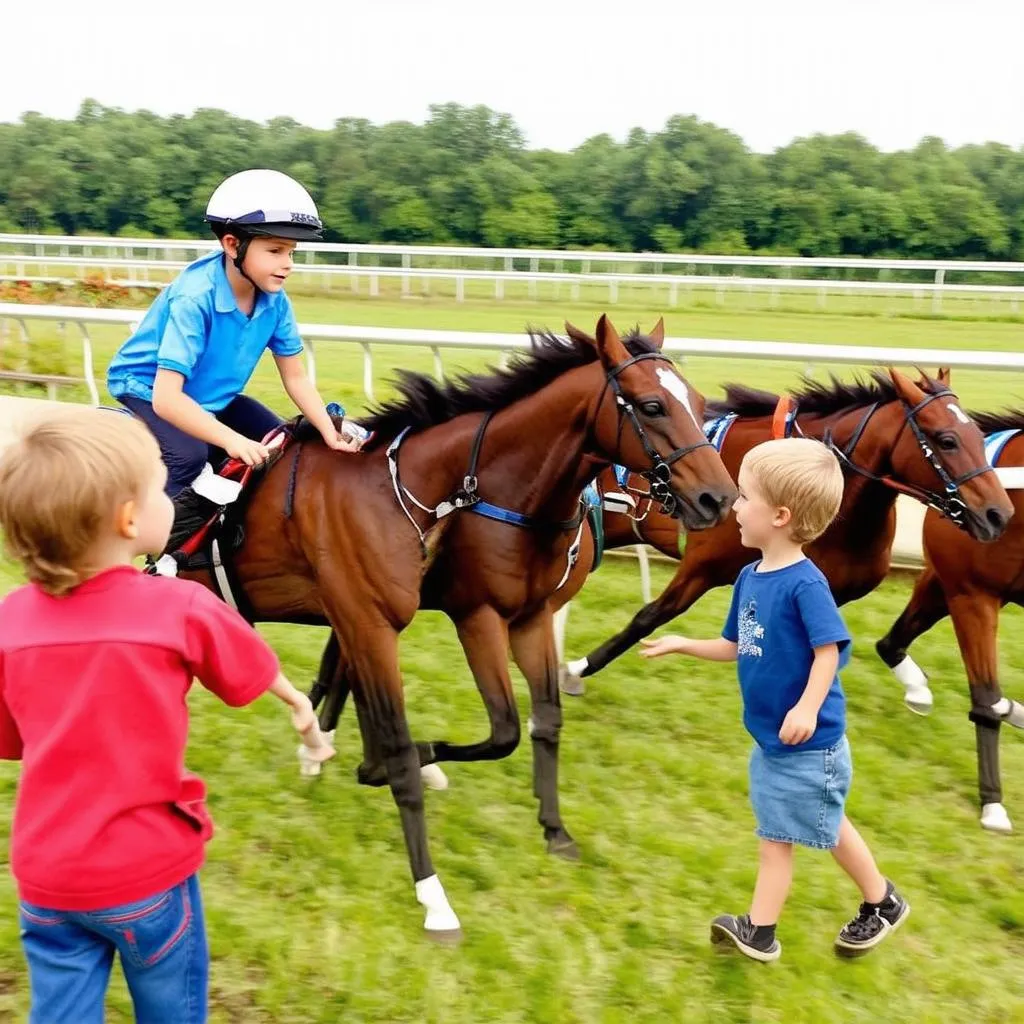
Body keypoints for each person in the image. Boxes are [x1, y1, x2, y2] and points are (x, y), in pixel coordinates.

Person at [0, 406, 336, 1022]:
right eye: (161, 485)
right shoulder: (178, 607)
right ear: (129, 520)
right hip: (148, 875)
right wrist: (304, 717)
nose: (172, 493)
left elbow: (13, 738)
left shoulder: (8, 625)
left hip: (47, 878)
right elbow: (251, 673)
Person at [640, 437, 909, 963]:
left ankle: (759, 932)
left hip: (811, 742)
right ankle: (883, 901)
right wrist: (684, 644)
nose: (734, 507)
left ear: (781, 515)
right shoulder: (750, 576)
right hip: (771, 738)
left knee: (779, 839)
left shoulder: (805, 585)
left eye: (744, 498)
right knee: (824, 825)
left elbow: (829, 652)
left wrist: (807, 708)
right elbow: (737, 644)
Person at [106, 168, 362, 507]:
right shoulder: (195, 297)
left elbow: (296, 377)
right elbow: (167, 400)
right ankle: (162, 548)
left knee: (280, 445)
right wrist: (231, 440)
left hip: (209, 397)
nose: (288, 264)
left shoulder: (276, 302)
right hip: (147, 387)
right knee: (189, 456)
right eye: (275, 251)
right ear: (232, 244)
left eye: (292, 252)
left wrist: (330, 432)